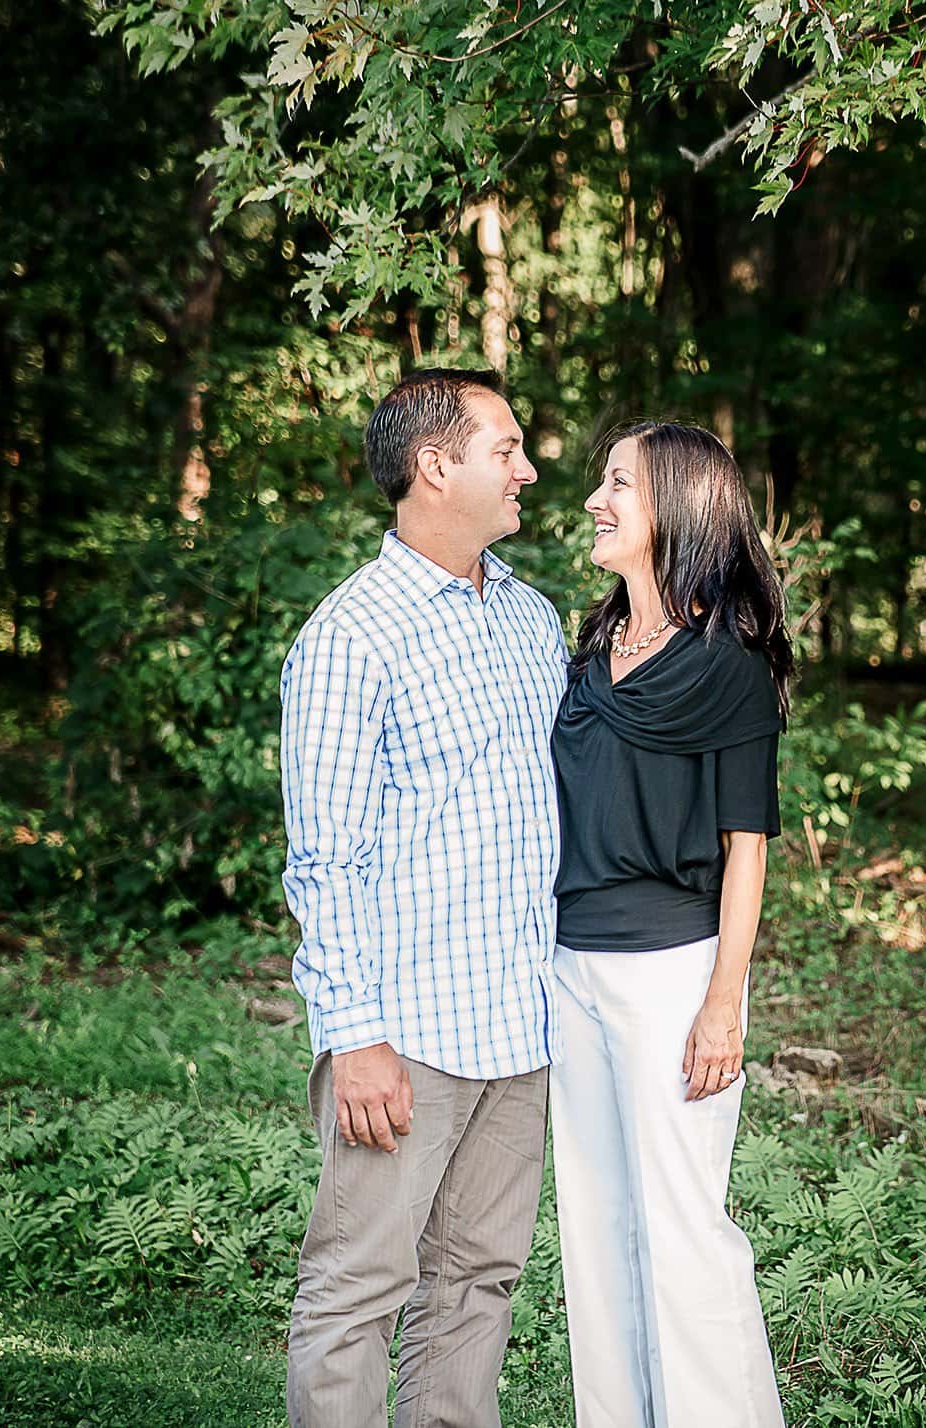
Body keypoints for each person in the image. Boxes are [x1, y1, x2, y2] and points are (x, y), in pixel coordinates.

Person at [279, 368, 567, 1428]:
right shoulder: (351, 637)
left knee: (478, 1283)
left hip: (522, 1024)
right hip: (406, 1036)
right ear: (434, 465)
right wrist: (353, 1035)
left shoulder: (532, 619)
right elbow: (327, 858)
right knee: (359, 1290)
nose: (529, 469)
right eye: (507, 447)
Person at [549, 421, 792, 1428]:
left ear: (678, 511)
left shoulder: (726, 666)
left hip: (670, 974)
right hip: (568, 968)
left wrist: (722, 1003)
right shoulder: (595, 643)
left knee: (684, 1231)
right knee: (598, 1235)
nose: (597, 500)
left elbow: (748, 845)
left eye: (620, 484)